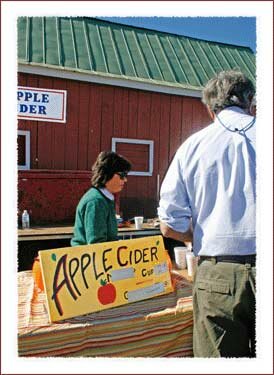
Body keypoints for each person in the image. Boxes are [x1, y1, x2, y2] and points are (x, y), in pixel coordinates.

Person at [158, 70, 256, 357]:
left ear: (210, 109)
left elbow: (169, 224)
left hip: (218, 272)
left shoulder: (192, 147)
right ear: (250, 102)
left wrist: (195, 236)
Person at [71, 151, 131, 246]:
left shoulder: (103, 198)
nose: (125, 180)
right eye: (122, 175)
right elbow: (96, 245)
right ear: (108, 174)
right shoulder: (96, 202)